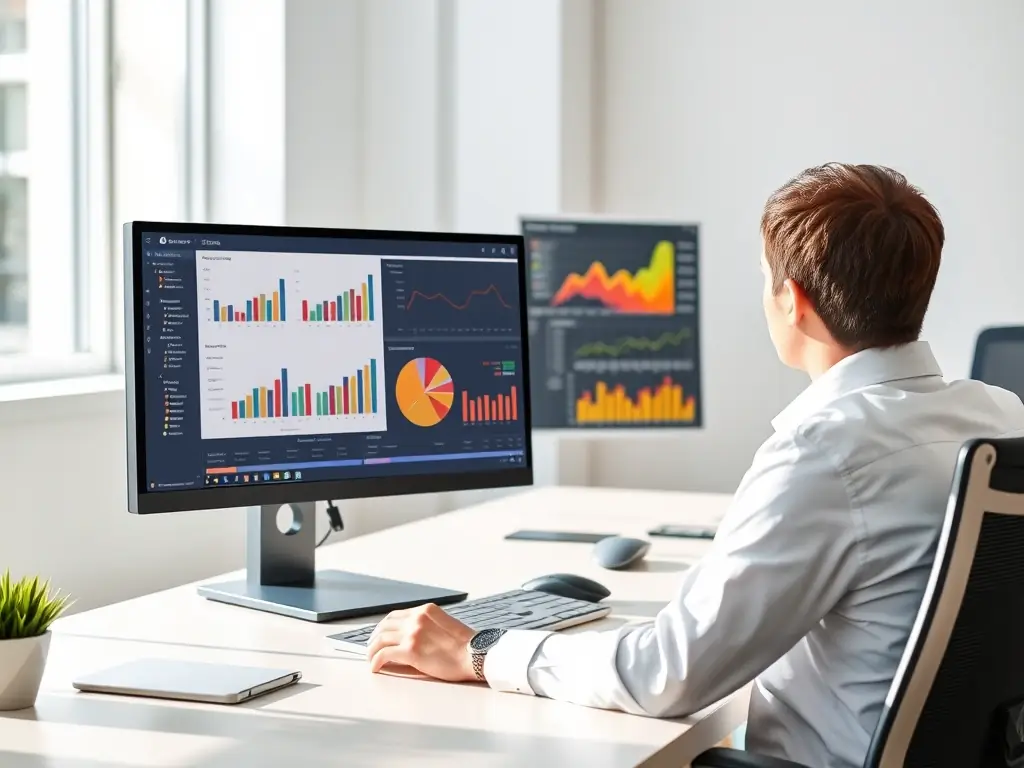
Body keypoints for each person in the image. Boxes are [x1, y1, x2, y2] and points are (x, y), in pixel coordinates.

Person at [364, 163, 1024, 768]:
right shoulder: (1002, 415)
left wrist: (481, 650)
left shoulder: (827, 450)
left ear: (793, 299)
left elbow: (667, 676)